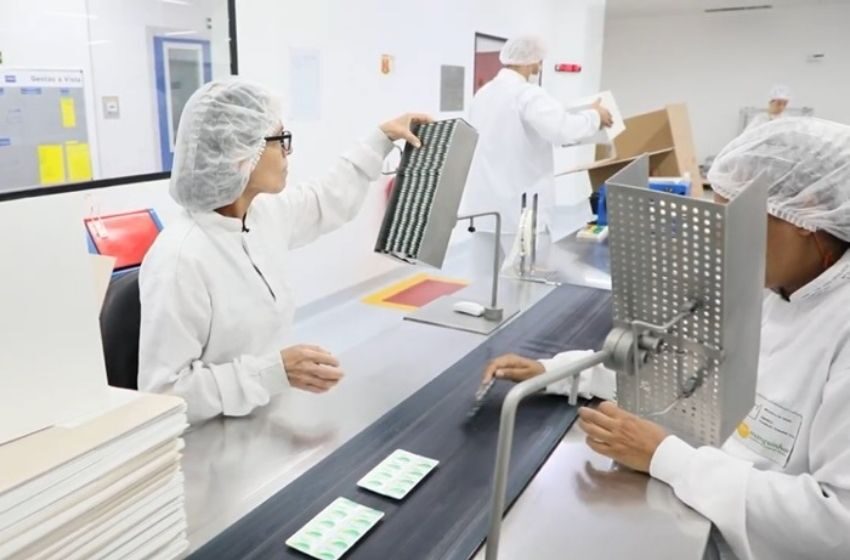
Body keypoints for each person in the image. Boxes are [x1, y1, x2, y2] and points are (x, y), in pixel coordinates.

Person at [482, 118, 850, 559]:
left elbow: (835, 525)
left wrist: (665, 457)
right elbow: (690, 373)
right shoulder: (776, 288)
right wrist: (559, 371)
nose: (722, 243)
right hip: (709, 505)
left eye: (739, 223)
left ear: (806, 214)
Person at [139, 78, 430, 424]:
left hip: (261, 416)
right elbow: (164, 394)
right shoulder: (180, 258)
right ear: (239, 153)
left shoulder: (259, 215)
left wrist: (380, 138)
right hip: (207, 436)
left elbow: (324, 200)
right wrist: (273, 373)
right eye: (280, 139)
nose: (288, 152)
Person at [459, 35, 614, 264]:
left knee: (485, 278)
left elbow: (544, 121)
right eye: (540, 61)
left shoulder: (483, 94)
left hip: (484, 210)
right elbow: (561, 130)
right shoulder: (528, 94)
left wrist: (583, 113)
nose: (540, 67)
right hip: (519, 212)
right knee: (525, 278)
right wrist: (595, 117)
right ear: (531, 61)